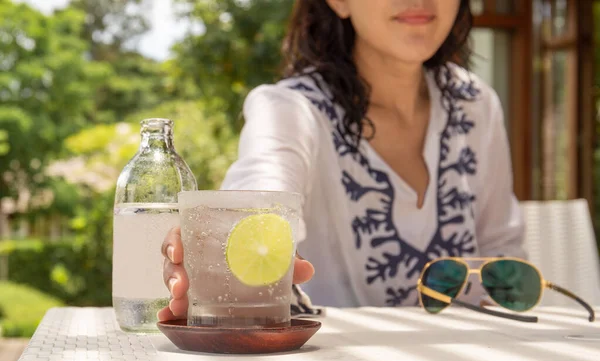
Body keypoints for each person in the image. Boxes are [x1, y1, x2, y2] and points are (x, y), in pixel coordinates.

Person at [158, 0, 526, 321]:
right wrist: (226, 236)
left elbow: (503, 251)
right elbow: (261, 194)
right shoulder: (290, 110)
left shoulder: (476, 105)